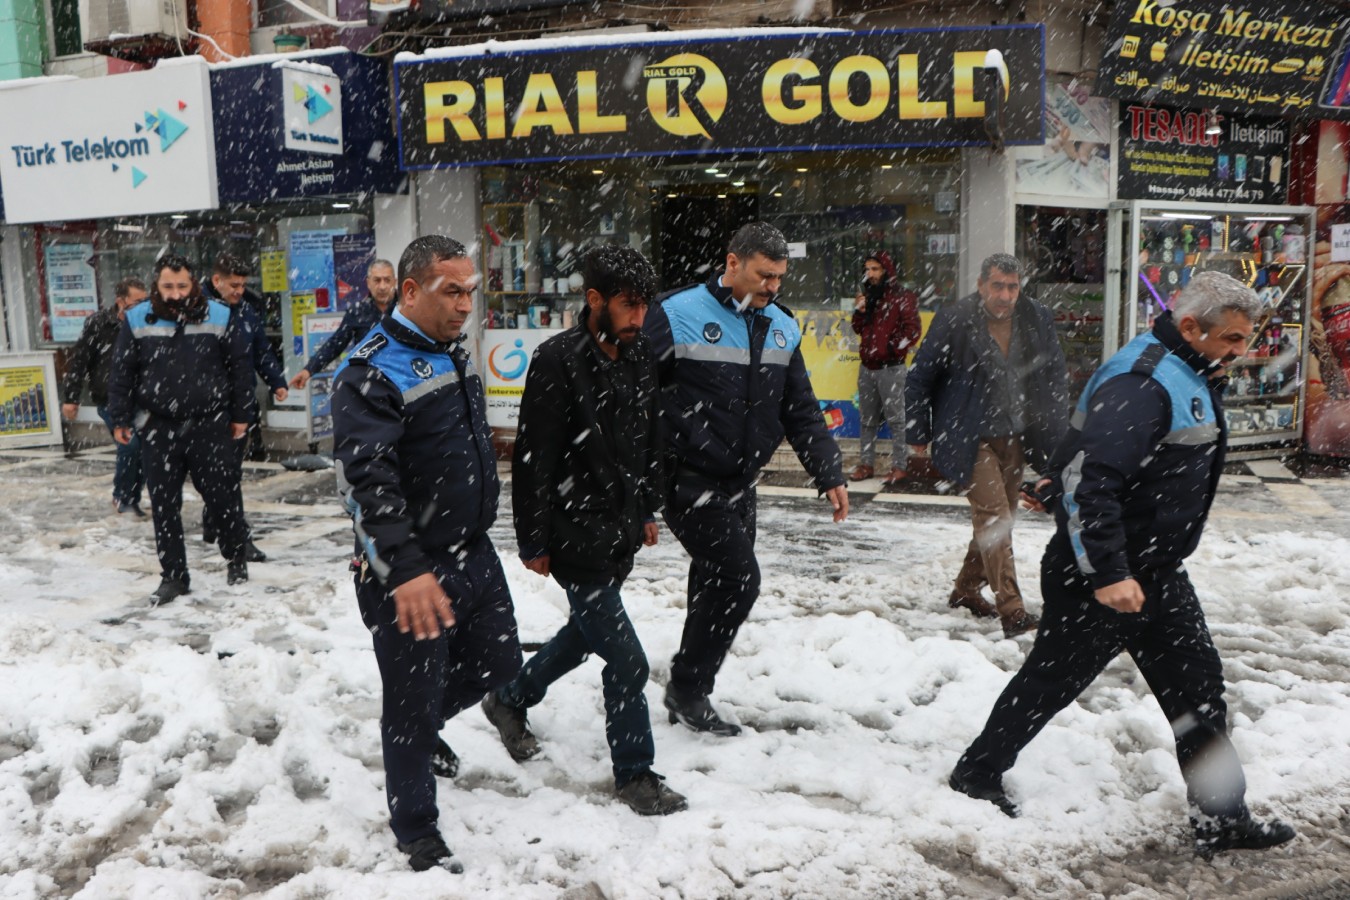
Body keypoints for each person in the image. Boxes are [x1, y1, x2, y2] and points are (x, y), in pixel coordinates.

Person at [949, 271, 1296, 858]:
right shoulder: (1146, 381)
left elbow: (1084, 453)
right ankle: (976, 773)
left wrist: (1053, 478)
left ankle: (1222, 817)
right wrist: (1109, 573)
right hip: (1103, 575)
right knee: (1051, 682)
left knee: (1198, 693)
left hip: (1157, 571)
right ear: (1192, 326)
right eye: (1234, 340)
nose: (1244, 352)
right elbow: (1095, 480)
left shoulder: (1185, 367)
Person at [332, 235, 522, 874]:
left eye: (470, 291)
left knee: (497, 664)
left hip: (473, 552)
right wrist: (406, 571)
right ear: (409, 291)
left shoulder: (452, 351)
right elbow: (368, 481)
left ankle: (411, 735)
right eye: (452, 292)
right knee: (410, 705)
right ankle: (417, 828)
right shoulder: (370, 368)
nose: (466, 304)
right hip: (410, 567)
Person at [482, 245, 687, 816]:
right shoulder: (556, 360)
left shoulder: (639, 350)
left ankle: (509, 698)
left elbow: (648, 437)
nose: (639, 318)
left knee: (586, 632)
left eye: (645, 306)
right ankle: (635, 776)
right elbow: (533, 457)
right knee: (627, 662)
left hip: (619, 527)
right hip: (573, 532)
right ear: (594, 300)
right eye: (628, 305)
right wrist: (533, 539)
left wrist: (647, 507)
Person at [643, 221, 848, 737]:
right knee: (738, 580)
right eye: (764, 275)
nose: (773, 287)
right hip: (687, 478)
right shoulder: (677, 313)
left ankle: (688, 686)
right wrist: (641, 485)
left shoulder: (781, 323)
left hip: (742, 482)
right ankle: (689, 685)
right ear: (732, 263)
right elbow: (637, 399)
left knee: (712, 583)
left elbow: (800, 407)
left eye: (780, 277)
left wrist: (828, 471)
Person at [905, 253, 1070, 638]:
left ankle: (965, 590)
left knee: (1000, 520)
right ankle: (1012, 609)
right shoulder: (956, 319)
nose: (1006, 295)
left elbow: (1054, 378)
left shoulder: (1036, 318)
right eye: (998, 285)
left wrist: (1057, 441)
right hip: (968, 434)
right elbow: (920, 376)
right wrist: (918, 433)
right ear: (981, 285)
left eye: (1013, 287)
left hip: (1016, 436)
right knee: (995, 517)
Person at [107, 255, 254, 604]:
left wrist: (241, 415)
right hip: (159, 428)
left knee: (223, 498)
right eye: (167, 286)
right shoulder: (137, 319)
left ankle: (235, 557)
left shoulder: (219, 315)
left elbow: (240, 369)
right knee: (164, 505)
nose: (175, 294)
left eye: (182, 286)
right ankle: (174, 576)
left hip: (210, 425)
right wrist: (120, 419)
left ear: (194, 284)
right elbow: (122, 372)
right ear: (156, 285)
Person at [202, 254, 288, 562]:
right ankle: (239, 538)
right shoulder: (199, 310)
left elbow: (261, 351)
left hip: (240, 405)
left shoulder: (247, 311)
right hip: (206, 406)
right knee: (222, 476)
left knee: (228, 474)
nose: (239, 290)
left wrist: (277, 381)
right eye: (233, 285)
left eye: (242, 285)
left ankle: (215, 517)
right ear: (216, 281)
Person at [61, 277, 148, 516]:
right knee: (130, 446)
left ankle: (132, 495)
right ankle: (124, 497)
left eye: (146, 301)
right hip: (109, 398)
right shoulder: (99, 324)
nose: (143, 306)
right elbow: (79, 361)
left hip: (141, 398)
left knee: (146, 450)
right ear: (121, 302)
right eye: (137, 301)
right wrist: (71, 397)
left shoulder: (146, 322)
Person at [849, 250, 921, 486]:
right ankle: (866, 464)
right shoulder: (869, 295)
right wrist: (860, 312)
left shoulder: (903, 296)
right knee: (867, 419)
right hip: (867, 367)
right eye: (867, 269)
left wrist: (889, 348)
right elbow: (859, 328)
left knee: (897, 420)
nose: (870, 274)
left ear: (887, 271)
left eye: (875, 269)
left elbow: (912, 331)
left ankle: (900, 467)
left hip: (891, 368)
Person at [290, 259, 397, 390]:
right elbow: (335, 344)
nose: (382, 286)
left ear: (395, 282)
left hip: (402, 383)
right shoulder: (357, 312)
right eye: (377, 280)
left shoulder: (408, 309)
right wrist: (308, 370)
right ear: (368, 283)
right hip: (370, 386)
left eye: (387, 280)